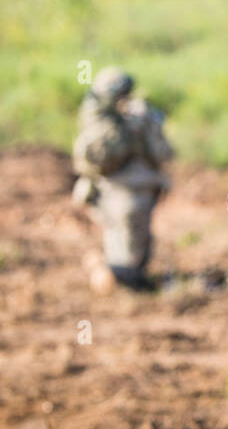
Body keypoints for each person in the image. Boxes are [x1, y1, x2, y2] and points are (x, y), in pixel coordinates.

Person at [72, 66, 174, 292]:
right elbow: (163, 152)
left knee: (128, 248)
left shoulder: (103, 118)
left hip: (121, 192)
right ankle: (122, 281)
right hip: (129, 192)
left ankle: (123, 280)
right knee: (128, 254)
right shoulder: (134, 117)